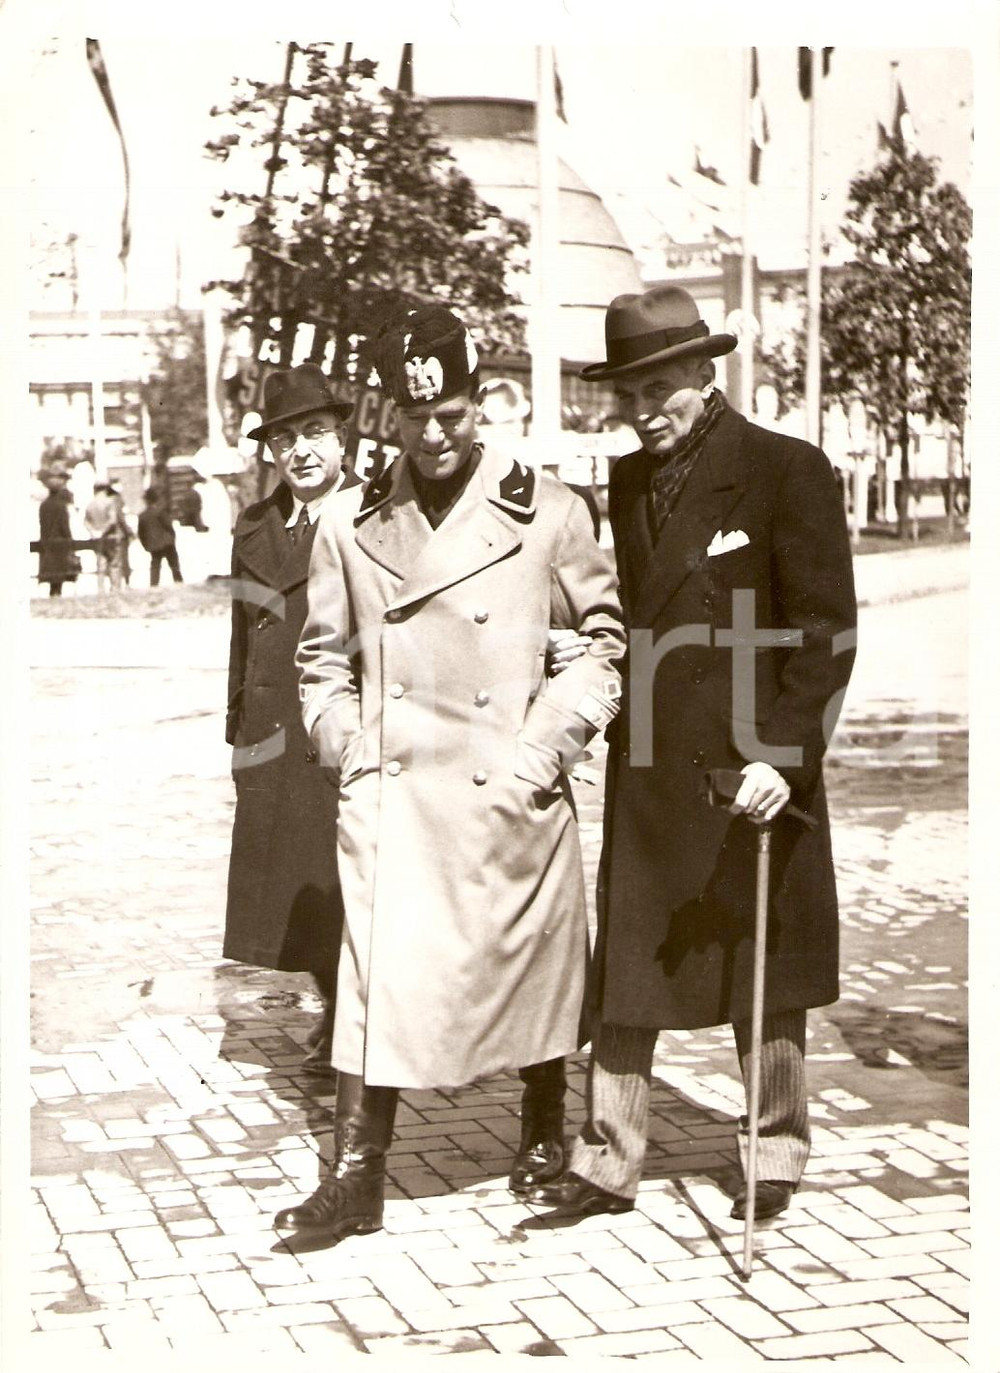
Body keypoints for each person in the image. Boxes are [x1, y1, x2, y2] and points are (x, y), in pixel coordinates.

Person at [280, 305, 626, 1245]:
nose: (433, 435)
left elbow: (600, 647)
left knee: (533, 964)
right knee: (375, 974)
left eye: (453, 414)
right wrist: (342, 744)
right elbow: (322, 658)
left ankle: (544, 1128)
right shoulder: (350, 525)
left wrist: (543, 748)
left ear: (482, 406)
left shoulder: (549, 510)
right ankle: (358, 1174)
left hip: (506, 783)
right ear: (388, 413)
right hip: (394, 794)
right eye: (413, 415)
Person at [528, 284, 857, 1223]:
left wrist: (783, 757)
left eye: (657, 390)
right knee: (629, 959)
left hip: (753, 760)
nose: (640, 414)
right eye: (626, 397)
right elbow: (625, 616)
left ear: (704, 373)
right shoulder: (628, 483)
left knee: (766, 960)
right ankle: (607, 1159)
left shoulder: (786, 469)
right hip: (651, 763)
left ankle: (776, 1147)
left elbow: (826, 631)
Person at [224, 364, 356, 1074]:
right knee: (292, 893)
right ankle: (335, 1009)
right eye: (284, 439)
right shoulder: (256, 526)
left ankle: (352, 1022)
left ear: (342, 437)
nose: (300, 451)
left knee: (343, 886)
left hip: (337, 733)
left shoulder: (373, 518)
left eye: (313, 432)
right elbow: (242, 638)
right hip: (272, 736)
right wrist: (237, 729)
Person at [37, 468, 80, 597]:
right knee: (59, 572)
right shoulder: (61, 506)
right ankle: (57, 593)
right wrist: (70, 541)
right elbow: (64, 526)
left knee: (52, 572)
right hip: (60, 543)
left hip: (47, 543)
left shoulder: (43, 505)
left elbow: (42, 525)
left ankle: (53, 593)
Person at [137, 489, 183, 586]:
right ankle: (178, 581)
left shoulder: (142, 516)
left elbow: (141, 533)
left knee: (155, 565)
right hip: (167, 542)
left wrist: (145, 545)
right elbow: (168, 525)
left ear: (146, 500)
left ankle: (154, 584)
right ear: (156, 500)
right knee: (174, 564)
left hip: (154, 544)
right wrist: (172, 537)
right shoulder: (160, 511)